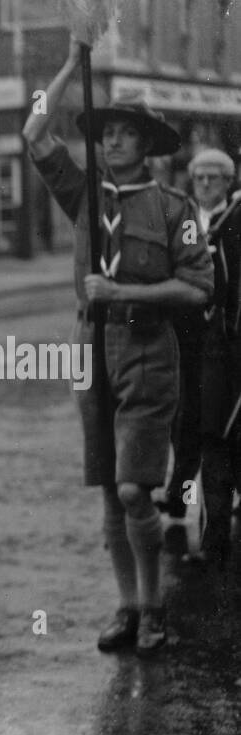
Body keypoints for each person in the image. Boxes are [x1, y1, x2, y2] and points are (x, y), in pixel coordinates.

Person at [24, 41, 213, 655]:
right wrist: (70, 66)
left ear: (147, 145)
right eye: (106, 133)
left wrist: (125, 287)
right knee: (109, 487)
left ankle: (154, 606)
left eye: (125, 134)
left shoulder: (176, 209)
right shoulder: (85, 196)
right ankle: (128, 608)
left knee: (135, 488)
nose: (111, 143)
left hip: (149, 349)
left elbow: (197, 286)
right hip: (91, 348)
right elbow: (35, 128)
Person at [187, 147, 241, 566]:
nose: (205, 185)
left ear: (228, 181)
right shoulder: (184, 221)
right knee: (201, 434)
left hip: (229, 345)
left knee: (220, 435)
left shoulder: (236, 220)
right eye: (199, 178)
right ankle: (213, 532)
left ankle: (218, 534)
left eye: (213, 178)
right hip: (191, 345)